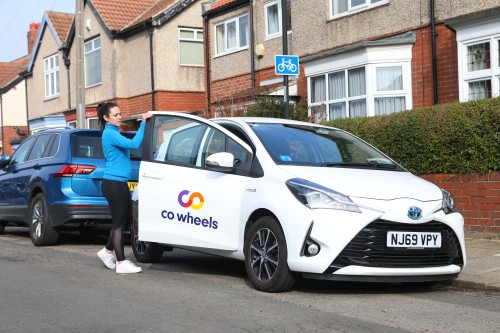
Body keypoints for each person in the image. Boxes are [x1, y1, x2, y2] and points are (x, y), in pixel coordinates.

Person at [96, 102, 152, 274]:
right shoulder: (109, 134)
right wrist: (143, 123)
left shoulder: (113, 131)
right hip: (113, 183)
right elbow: (134, 145)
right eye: (115, 115)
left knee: (127, 220)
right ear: (106, 118)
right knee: (119, 223)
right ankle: (121, 262)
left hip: (119, 183)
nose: (119, 117)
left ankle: (106, 252)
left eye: (120, 114)